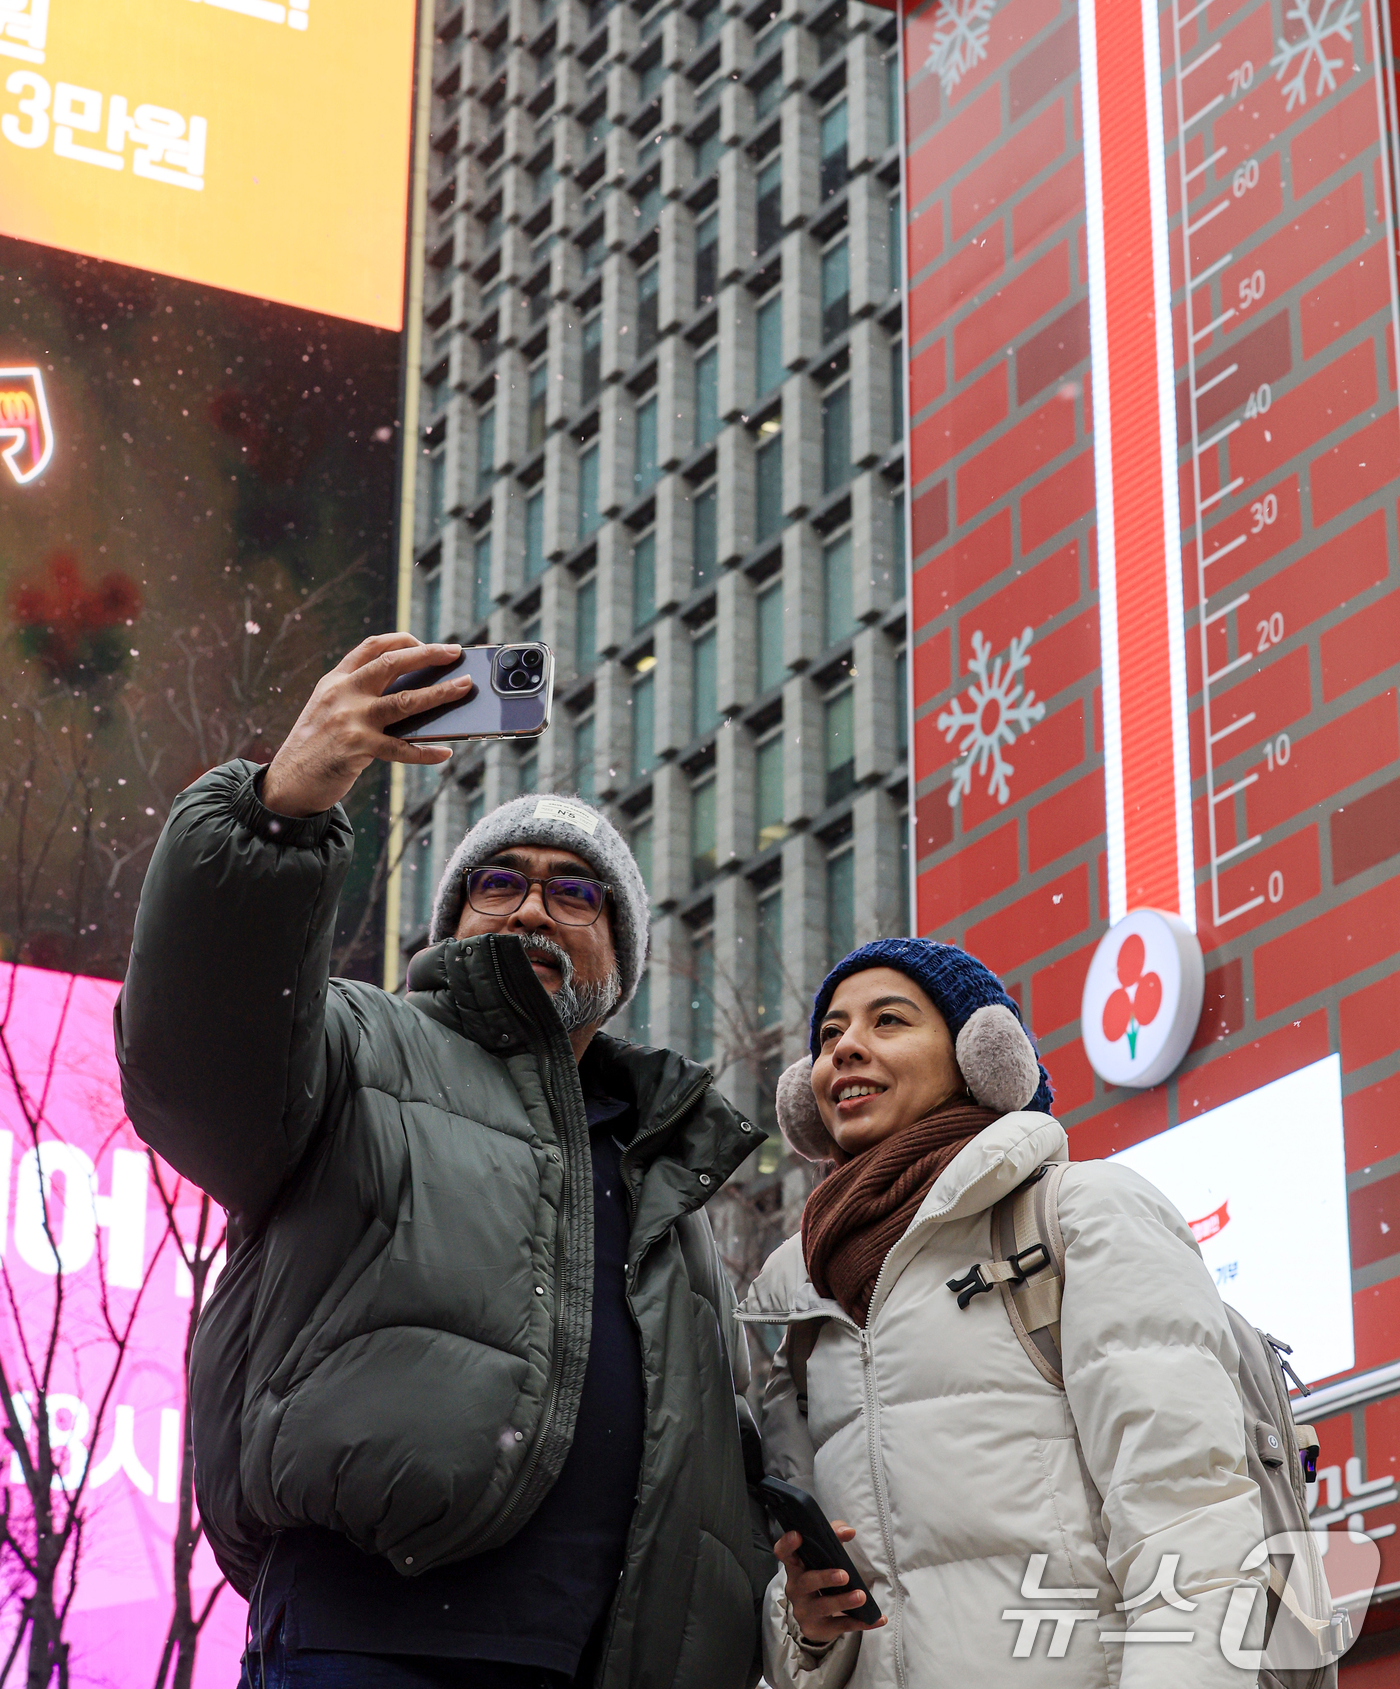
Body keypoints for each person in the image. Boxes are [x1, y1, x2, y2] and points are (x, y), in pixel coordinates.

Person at [117, 632, 771, 1689]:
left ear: (621, 957)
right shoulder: (359, 1051)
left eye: (576, 893)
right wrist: (280, 808)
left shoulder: (668, 1172)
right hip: (370, 1640)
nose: (529, 906)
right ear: (452, 925)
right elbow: (193, 1061)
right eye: (498, 883)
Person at [740, 936, 1268, 1689]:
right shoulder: (798, 1308)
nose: (848, 1048)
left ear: (980, 1056)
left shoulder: (1085, 1215)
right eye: (830, 1036)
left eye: (889, 1021)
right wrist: (808, 1627)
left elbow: (1191, 1525)